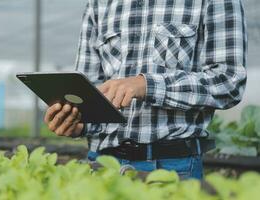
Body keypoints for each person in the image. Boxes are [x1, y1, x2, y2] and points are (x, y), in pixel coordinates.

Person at [44, 0, 247, 179]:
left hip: (171, 167)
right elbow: (88, 90)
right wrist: (79, 123)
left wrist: (147, 85)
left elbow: (228, 81)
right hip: (102, 165)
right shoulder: (99, 3)